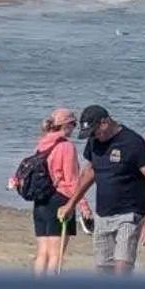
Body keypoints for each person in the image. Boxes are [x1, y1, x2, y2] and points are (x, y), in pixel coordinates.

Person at [58, 105, 145, 277]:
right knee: (103, 273)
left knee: (122, 271)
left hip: (130, 215)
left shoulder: (132, 142)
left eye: (94, 131)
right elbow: (89, 173)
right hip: (103, 215)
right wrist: (71, 204)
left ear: (105, 122)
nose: (93, 136)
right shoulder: (94, 142)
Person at [26, 109, 88, 276]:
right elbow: (72, 180)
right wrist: (83, 206)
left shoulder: (42, 143)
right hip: (60, 201)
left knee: (42, 252)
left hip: (40, 200)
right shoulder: (66, 147)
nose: (74, 129)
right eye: (73, 124)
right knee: (56, 254)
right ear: (66, 125)